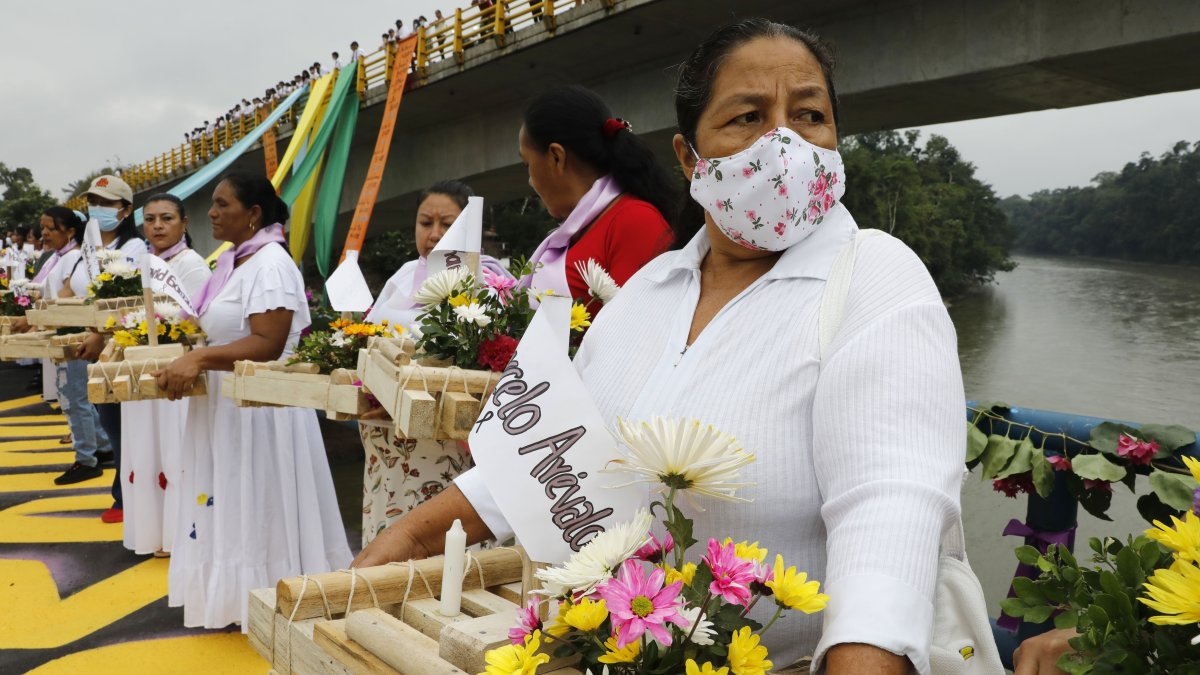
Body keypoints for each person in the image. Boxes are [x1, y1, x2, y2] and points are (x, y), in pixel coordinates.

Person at [356, 18, 966, 675]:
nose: (784, 141)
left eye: (810, 114)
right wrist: (414, 532)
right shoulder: (652, 288)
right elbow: (554, 447)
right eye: (748, 116)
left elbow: (889, 518)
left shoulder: (875, 278)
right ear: (688, 158)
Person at [153, 172, 351, 629]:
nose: (212, 213)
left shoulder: (270, 265)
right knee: (229, 501)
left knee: (259, 503)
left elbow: (268, 341)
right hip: (227, 406)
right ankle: (235, 600)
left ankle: (269, 600)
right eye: (213, 204)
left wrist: (200, 357)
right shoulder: (236, 262)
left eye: (223, 204)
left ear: (254, 214)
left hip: (260, 411)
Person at [358, 180, 512, 546]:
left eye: (447, 224)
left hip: (447, 448)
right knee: (388, 543)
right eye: (425, 223)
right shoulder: (401, 277)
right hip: (391, 444)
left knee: (446, 551)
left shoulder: (490, 285)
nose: (434, 234)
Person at [517, 84, 678, 312]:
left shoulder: (635, 220)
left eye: (527, 164)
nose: (530, 181)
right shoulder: (578, 231)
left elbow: (640, 330)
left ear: (556, 157)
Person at [119, 194, 211, 558]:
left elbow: (194, 324)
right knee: (147, 451)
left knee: (175, 452)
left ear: (184, 223)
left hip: (175, 370)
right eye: (151, 219)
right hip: (145, 364)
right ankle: (154, 533)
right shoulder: (145, 263)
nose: (158, 226)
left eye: (167, 218)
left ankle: (181, 534)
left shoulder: (192, 265)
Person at [74, 174, 147, 524]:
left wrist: (98, 333)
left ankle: (127, 494)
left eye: (106, 203)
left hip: (121, 346)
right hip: (94, 344)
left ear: (126, 209)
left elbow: (122, 304)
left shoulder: (132, 249)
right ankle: (124, 490)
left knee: (123, 424)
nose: (97, 209)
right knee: (110, 421)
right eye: (93, 202)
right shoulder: (89, 246)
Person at [33, 208, 115, 485]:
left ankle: (85, 459)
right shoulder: (59, 258)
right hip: (66, 333)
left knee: (73, 398)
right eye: (42, 227)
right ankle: (102, 446)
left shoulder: (71, 257)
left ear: (69, 231)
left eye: (51, 228)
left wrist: (35, 315)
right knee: (79, 396)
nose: (44, 233)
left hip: (74, 335)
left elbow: (66, 293)